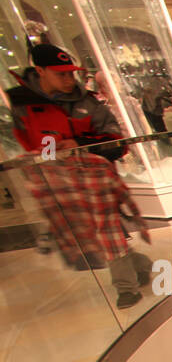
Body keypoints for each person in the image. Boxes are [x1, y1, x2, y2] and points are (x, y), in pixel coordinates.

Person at [7, 43, 154, 308]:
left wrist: (80, 142)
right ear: (40, 71)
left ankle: (126, 288)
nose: (68, 80)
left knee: (108, 232)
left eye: (70, 73)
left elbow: (117, 142)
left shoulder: (88, 103)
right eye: (60, 74)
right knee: (93, 237)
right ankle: (140, 266)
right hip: (58, 184)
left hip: (95, 180)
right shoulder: (22, 105)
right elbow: (32, 144)